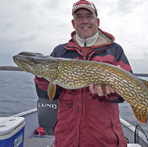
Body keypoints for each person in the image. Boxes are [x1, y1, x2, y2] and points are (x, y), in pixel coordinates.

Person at [34, 0, 132, 146]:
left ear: (97, 21)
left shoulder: (115, 51)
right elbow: (47, 95)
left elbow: (125, 93)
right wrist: (42, 76)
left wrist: (112, 92)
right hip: (67, 140)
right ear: (73, 23)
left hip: (105, 141)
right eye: (79, 16)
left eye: (89, 16)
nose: (84, 21)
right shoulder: (59, 52)